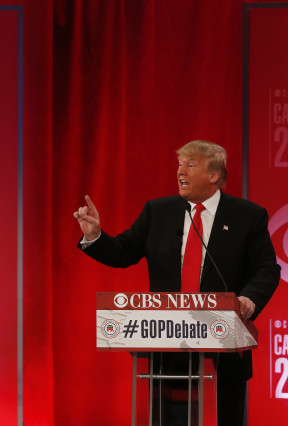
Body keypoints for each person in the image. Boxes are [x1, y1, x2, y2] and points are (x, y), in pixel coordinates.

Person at [73, 140, 280, 426]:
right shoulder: (158, 211)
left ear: (213, 175)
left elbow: (266, 268)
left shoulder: (248, 215)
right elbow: (124, 252)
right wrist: (95, 236)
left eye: (190, 165)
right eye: (179, 164)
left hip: (223, 349)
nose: (180, 171)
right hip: (166, 349)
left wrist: (249, 299)